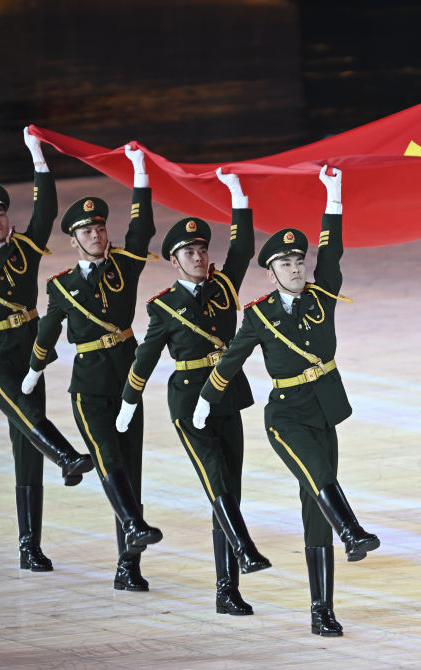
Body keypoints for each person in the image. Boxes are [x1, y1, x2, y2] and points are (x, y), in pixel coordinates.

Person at [194, 165, 378, 637]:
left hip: (324, 411)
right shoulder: (259, 315)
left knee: (315, 505)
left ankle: (321, 611)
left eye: (299, 261)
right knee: (319, 476)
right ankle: (353, 531)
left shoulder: (322, 297)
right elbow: (231, 360)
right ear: (271, 272)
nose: (296, 269)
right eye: (286, 264)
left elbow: (332, 250)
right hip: (286, 416)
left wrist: (334, 195)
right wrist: (205, 400)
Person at [116, 168, 270, 614]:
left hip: (226, 395)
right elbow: (145, 358)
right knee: (215, 478)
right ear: (174, 260)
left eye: (202, 249)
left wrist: (238, 198)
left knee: (230, 490)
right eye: (189, 252)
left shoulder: (223, 286)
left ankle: (227, 590)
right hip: (187, 401)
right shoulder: (163, 306)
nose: (199, 257)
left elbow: (242, 248)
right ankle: (244, 548)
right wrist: (129, 401)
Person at [0, 128, 93, 571]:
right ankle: (67, 455)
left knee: (27, 445)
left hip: (30, 355)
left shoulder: (26, 249)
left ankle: (30, 547)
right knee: (28, 416)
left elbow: (46, 210)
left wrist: (38, 159)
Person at [23, 144, 163, 590]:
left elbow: (142, 227)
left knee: (130, 470)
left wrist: (140, 172)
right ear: (74, 240)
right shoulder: (62, 286)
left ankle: (128, 567)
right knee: (107, 458)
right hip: (87, 387)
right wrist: (33, 370)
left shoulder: (124, 264)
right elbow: (47, 332)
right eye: (87, 230)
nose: (97, 234)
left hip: (126, 383)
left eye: (100, 227)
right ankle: (134, 526)